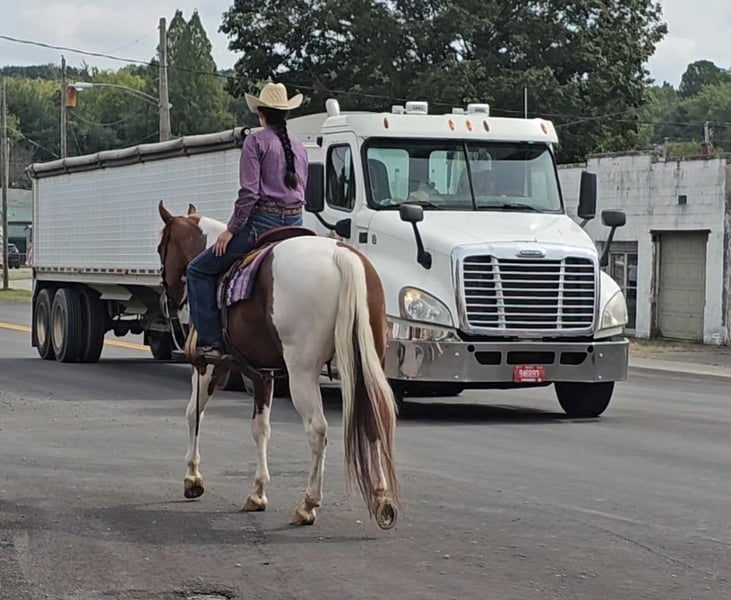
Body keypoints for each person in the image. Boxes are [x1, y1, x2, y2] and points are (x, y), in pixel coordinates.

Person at [186, 82, 309, 363]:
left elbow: (249, 194)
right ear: (285, 114)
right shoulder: (299, 148)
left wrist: (230, 230)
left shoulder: (255, 142)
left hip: (263, 225)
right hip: (296, 226)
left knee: (198, 270)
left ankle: (212, 342)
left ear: (260, 114)